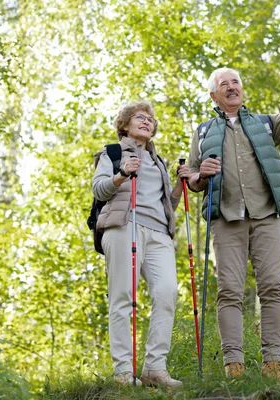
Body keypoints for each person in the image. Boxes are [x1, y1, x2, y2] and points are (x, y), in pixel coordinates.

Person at [179, 58, 280, 379]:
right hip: (226, 220)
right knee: (229, 291)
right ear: (213, 96)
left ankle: (272, 364)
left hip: (266, 214)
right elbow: (195, 181)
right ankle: (234, 367)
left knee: (272, 287)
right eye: (224, 84)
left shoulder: (264, 123)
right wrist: (201, 174)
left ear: (242, 89)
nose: (232, 86)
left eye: (236, 82)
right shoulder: (203, 132)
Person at [92, 100, 185, 388]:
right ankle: (123, 372)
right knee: (123, 297)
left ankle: (154, 368)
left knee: (167, 292)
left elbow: (167, 204)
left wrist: (180, 186)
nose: (147, 122)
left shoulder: (158, 161)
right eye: (140, 117)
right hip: (123, 227)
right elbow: (99, 189)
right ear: (125, 124)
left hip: (159, 233)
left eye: (150, 119)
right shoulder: (112, 152)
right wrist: (121, 175)